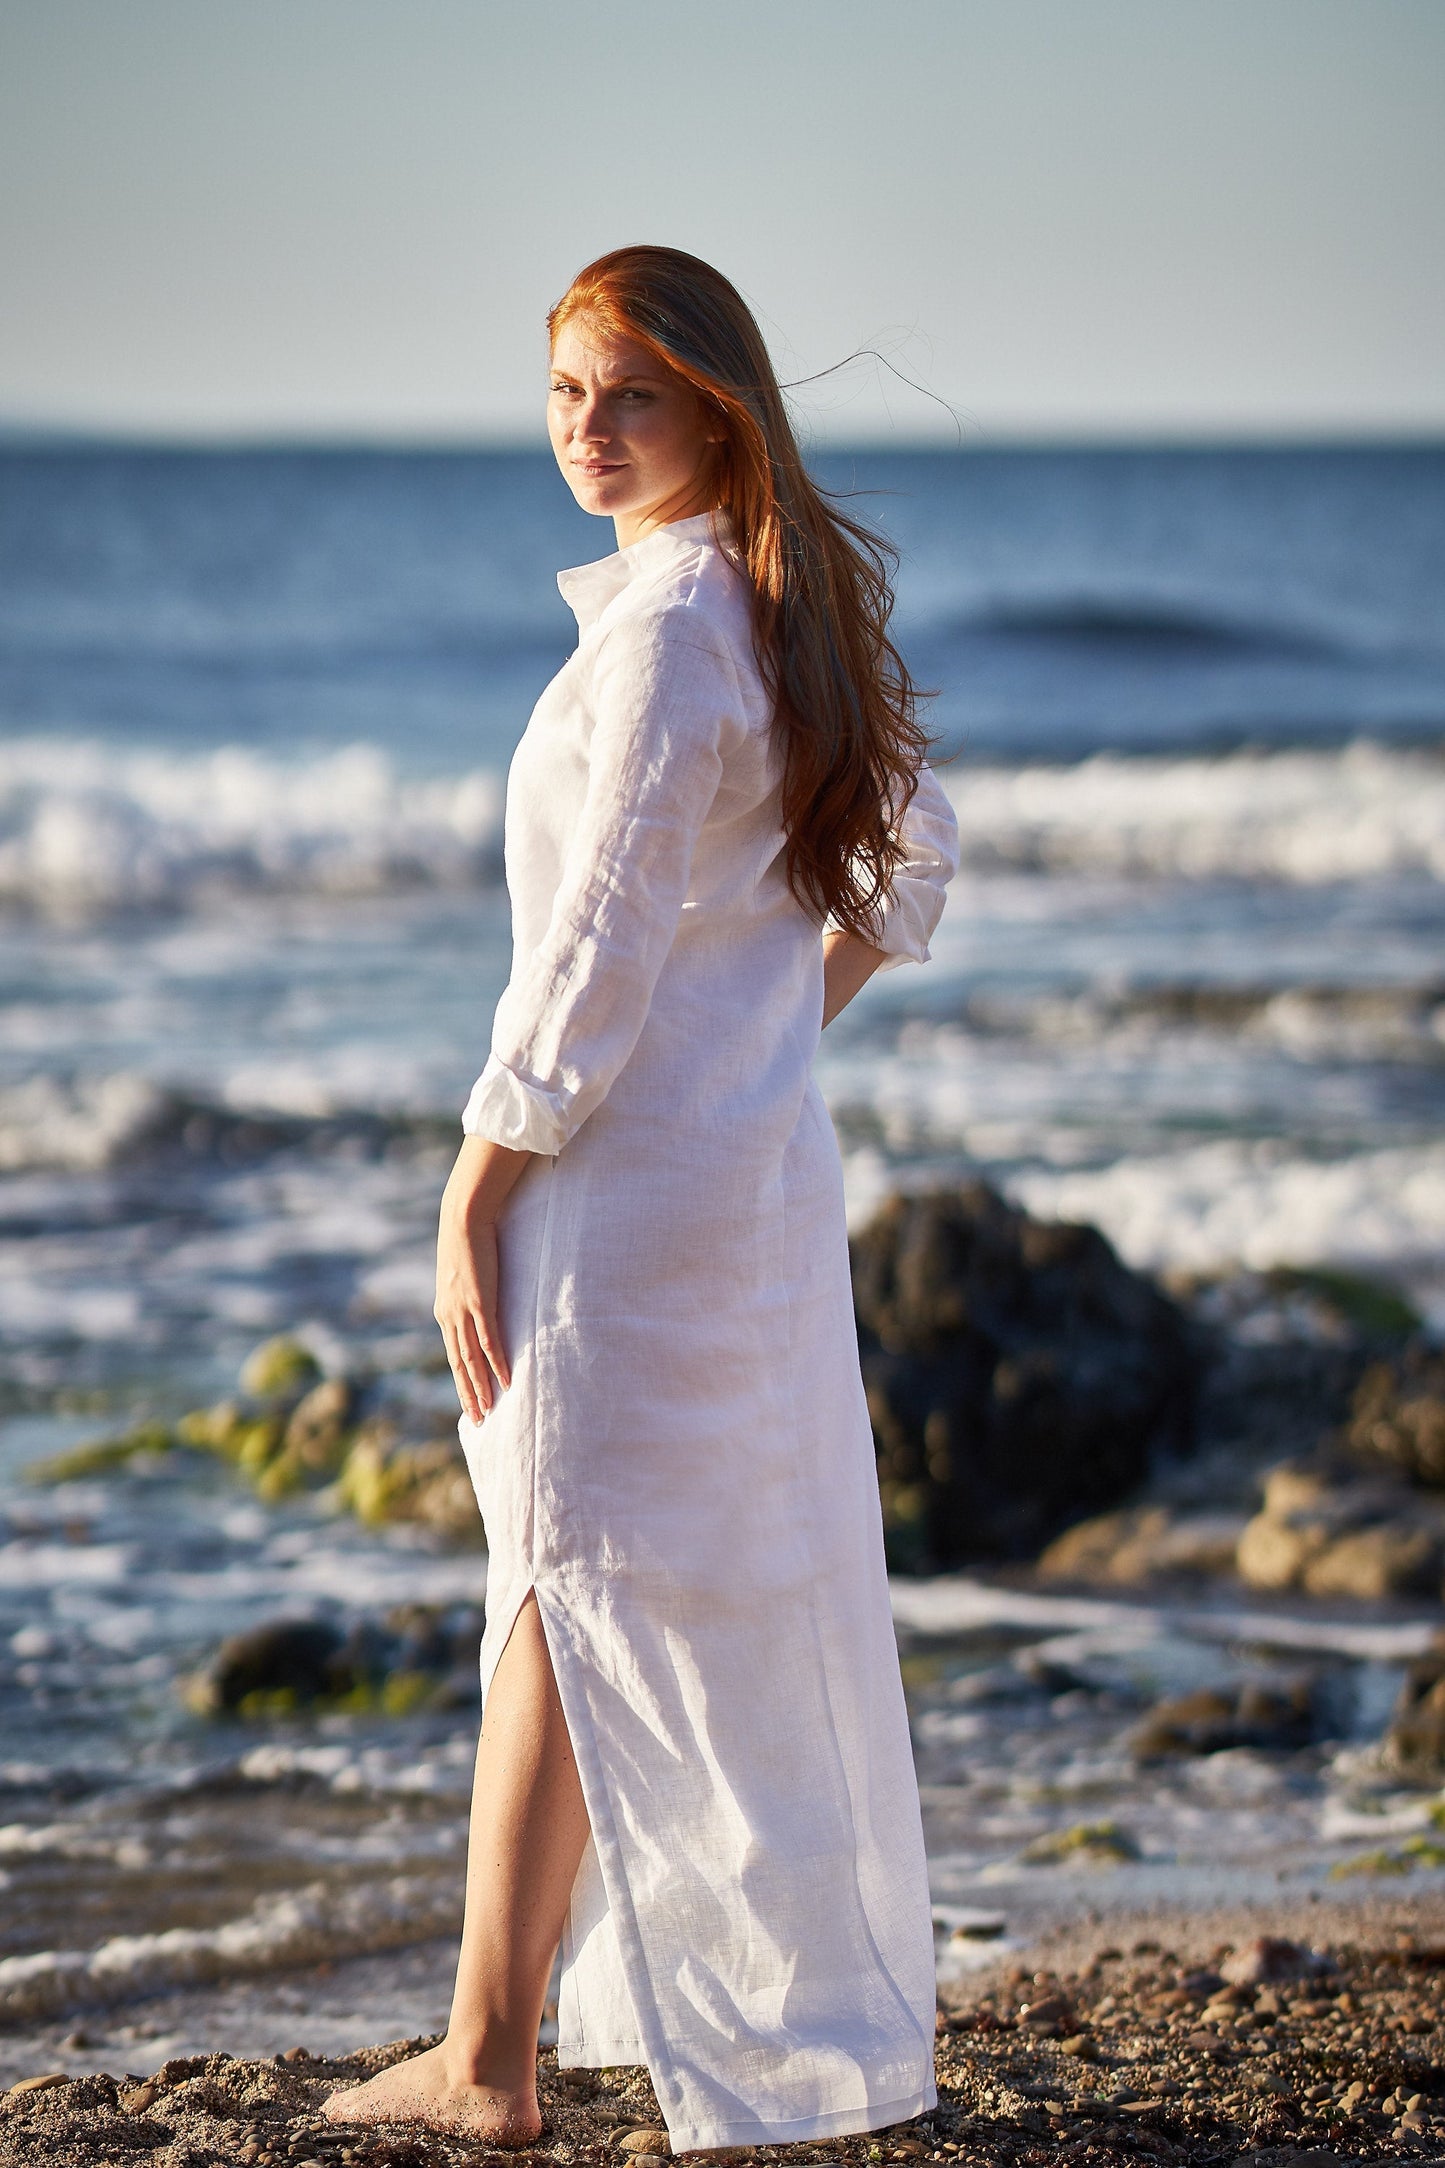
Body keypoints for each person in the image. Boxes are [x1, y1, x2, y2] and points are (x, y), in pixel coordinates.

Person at [323, 245, 960, 2154]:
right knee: (602, 1592)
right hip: (735, 1185)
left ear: (718, 411)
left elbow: (597, 945)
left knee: (562, 1593)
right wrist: (750, 1030)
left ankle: (488, 2066)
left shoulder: (682, 623)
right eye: (563, 398)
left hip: (613, 1203)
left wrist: (476, 1173)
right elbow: (904, 864)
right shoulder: (773, 608)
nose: (587, 433)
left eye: (631, 398)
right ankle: (497, 2044)